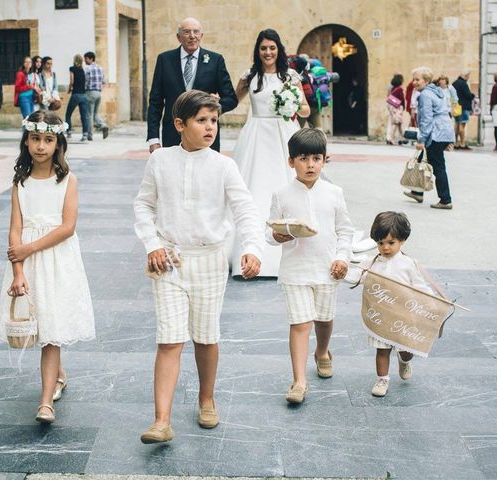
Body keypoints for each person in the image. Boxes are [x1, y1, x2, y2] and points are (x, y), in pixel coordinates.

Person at [133, 90, 263, 444]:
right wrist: (153, 244)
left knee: (206, 337)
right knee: (169, 340)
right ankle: (161, 420)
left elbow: (245, 210)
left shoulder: (224, 165)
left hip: (210, 260)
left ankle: (207, 399)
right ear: (179, 124)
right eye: (201, 120)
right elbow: (144, 206)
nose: (210, 127)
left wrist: (251, 248)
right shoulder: (159, 162)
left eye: (214, 121)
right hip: (170, 261)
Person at [0, 110, 96, 424]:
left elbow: (67, 227)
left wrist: (29, 247)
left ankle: (44, 403)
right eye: (36, 139)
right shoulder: (20, 183)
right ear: (26, 141)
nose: (41, 146)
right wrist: (18, 271)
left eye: (48, 140)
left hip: (57, 258)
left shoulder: (67, 180)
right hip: (27, 261)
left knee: (51, 332)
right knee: (40, 325)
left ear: (58, 143)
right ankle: (58, 374)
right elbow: (15, 229)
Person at [266, 128, 353, 404]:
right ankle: (299, 381)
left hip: (327, 268)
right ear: (291, 162)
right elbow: (269, 231)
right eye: (303, 158)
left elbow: (345, 230)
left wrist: (342, 258)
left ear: (325, 160)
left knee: (323, 320)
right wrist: (276, 236)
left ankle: (323, 351)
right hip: (295, 270)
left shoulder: (335, 192)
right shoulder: (281, 195)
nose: (311, 164)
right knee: (300, 323)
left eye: (317, 158)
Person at [229, 28, 310, 277]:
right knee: (252, 187)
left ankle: (291, 251)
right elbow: (232, 100)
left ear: (279, 50)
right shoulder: (250, 76)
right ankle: (247, 251)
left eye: (272, 48)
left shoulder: (290, 77)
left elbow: (306, 110)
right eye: (263, 48)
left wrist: (293, 102)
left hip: (283, 133)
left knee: (285, 183)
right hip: (255, 135)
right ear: (258, 50)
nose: (267, 52)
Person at [364, 212, 433, 397]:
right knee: (382, 349)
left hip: (405, 317)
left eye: (391, 242)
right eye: (380, 243)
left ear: (402, 240)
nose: (385, 248)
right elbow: (360, 277)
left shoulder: (408, 264)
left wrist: (431, 301)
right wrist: (342, 274)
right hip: (381, 317)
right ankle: (382, 379)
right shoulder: (372, 263)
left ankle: (404, 360)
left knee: (406, 351)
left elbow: (420, 286)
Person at [147, 17, 238, 153]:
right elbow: (155, 102)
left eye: (196, 32)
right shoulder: (164, 60)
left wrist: (213, 107)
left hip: (205, 136)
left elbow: (231, 99)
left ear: (201, 36)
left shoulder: (215, 60)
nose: (192, 36)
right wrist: (154, 139)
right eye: (186, 32)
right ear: (178, 37)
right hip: (173, 135)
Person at [404, 66, 455, 210]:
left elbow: (426, 119)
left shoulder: (425, 95)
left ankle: (445, 200)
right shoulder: (437, 92)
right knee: (422, 159)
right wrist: (449, 139)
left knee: (438, 166)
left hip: (435, 133)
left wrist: (421, 140)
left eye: (417, 79)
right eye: (413, 79)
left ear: (426, 81)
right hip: (443, 132)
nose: (414, 82)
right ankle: (417, 191)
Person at [83, 51, 108, 140]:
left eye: (86, 59)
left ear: (91, 59)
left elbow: (85, 81)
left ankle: (90, 135)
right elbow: (104, 82)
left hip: (90, 92)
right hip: (98, 93)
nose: (85, 61)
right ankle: (103, 125)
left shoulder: (87, 69)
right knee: (96, 114)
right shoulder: (100, 68)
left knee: (89, 115)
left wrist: (84, 90)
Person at [65, 54, 89, 142]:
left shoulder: (72, 68)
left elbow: (72, 81)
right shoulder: (82, 70)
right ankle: (85, 135)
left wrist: (68, 90)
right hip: (84, 95)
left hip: (76, 94)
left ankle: (69, 132)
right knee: (83, 116)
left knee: (68, 114)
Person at [452, 69, 475, 150]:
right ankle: (462, 144)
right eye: (468, 76)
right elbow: (468, 95)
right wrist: (472, 95)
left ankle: (455, 143)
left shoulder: (454, 83)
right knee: (462, 125)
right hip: (464, 107)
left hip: (456, 107)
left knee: (456, 125)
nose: (468, 77)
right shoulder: (463, 83)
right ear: (466, 76)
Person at [386, 74, 405, 145]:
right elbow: (402, 99)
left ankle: (402, 138)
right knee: (396, 123)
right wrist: (403, 107)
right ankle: (391, 138)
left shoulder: (393, 88)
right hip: (397, 107)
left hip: (392, 107)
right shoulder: (400, 89)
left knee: (399, 123)